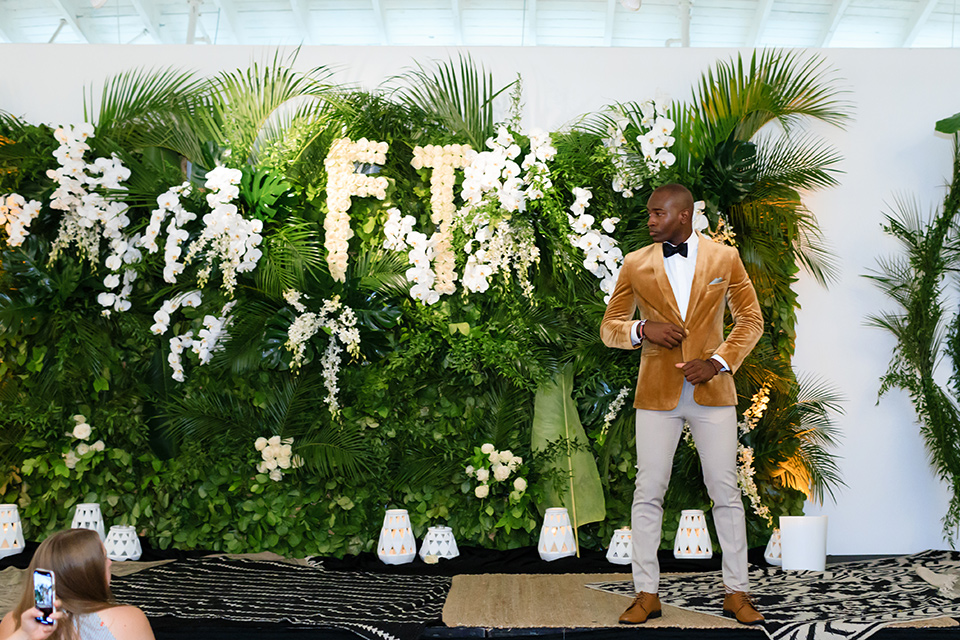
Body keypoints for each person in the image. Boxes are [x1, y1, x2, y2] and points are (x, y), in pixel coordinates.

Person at [600, 183, 765, 625]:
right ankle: (645, 595)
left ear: (684, 215)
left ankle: (737, 593)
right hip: (656, 396)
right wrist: (641, 331)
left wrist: (717, 362)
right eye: (650, 214)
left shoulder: (723, 258)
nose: (650, 220)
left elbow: (751, 319)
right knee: (648, 492)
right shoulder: (635, 263)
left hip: (713, 393)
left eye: (657, 213)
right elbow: (610, 327)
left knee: (725, 492)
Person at [0, 529, 155, 640]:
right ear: (87, 574)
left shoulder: (12, 622)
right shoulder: (126, 619)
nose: (110, 563)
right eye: (104, 558)